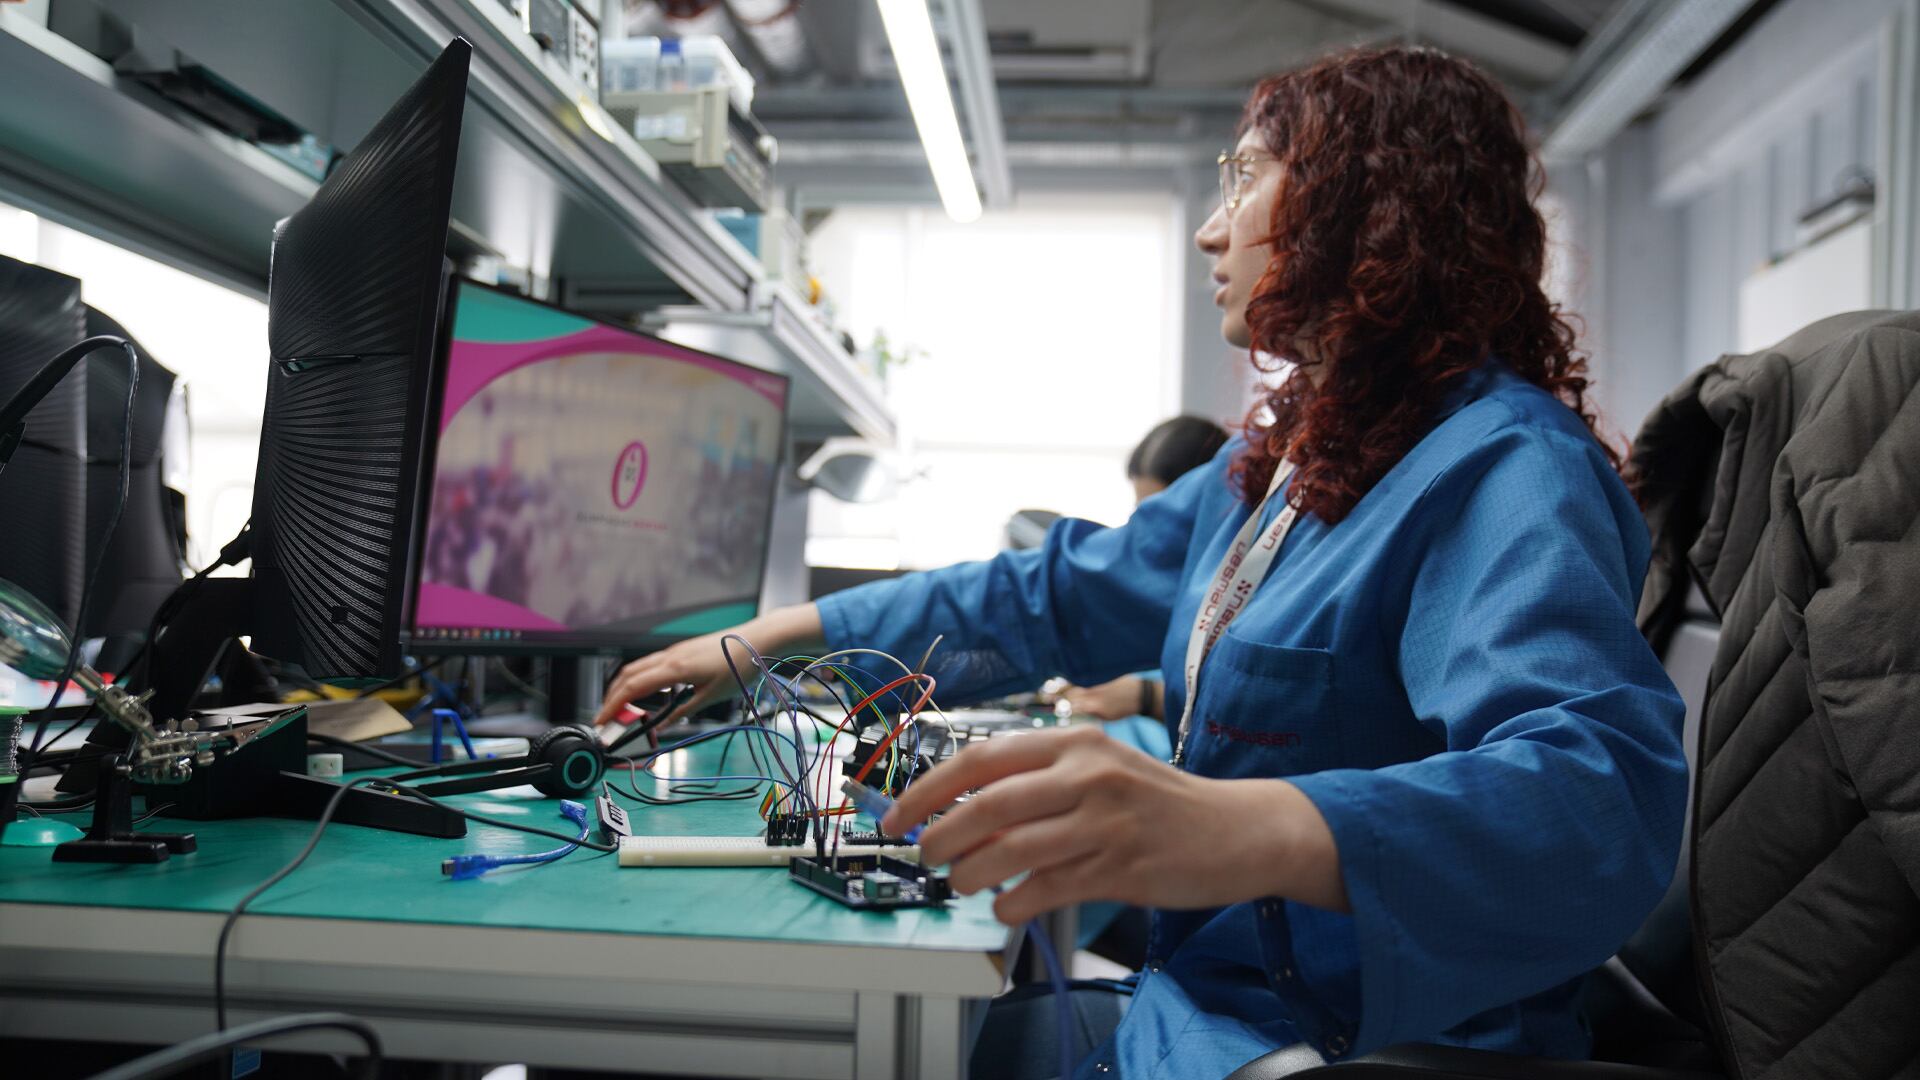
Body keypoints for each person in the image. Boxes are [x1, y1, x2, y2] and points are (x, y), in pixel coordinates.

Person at [596, 45, 1687, 1079]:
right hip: (1197, 1011)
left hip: (1334, 1048)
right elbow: (1052, 594)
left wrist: (1238, 827)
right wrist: (773, 642)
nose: (1212, 231)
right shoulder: (1287, 469)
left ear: (1371, 207)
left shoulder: (1507, 468)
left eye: (1245, 179)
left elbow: (1601, 801)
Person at [1050, 416, 1228, 750]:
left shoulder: (1234, 586)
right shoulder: (1150, 581)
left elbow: (1241, 713)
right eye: (1142, 512)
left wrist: (1147, 697)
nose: (1151, 533)